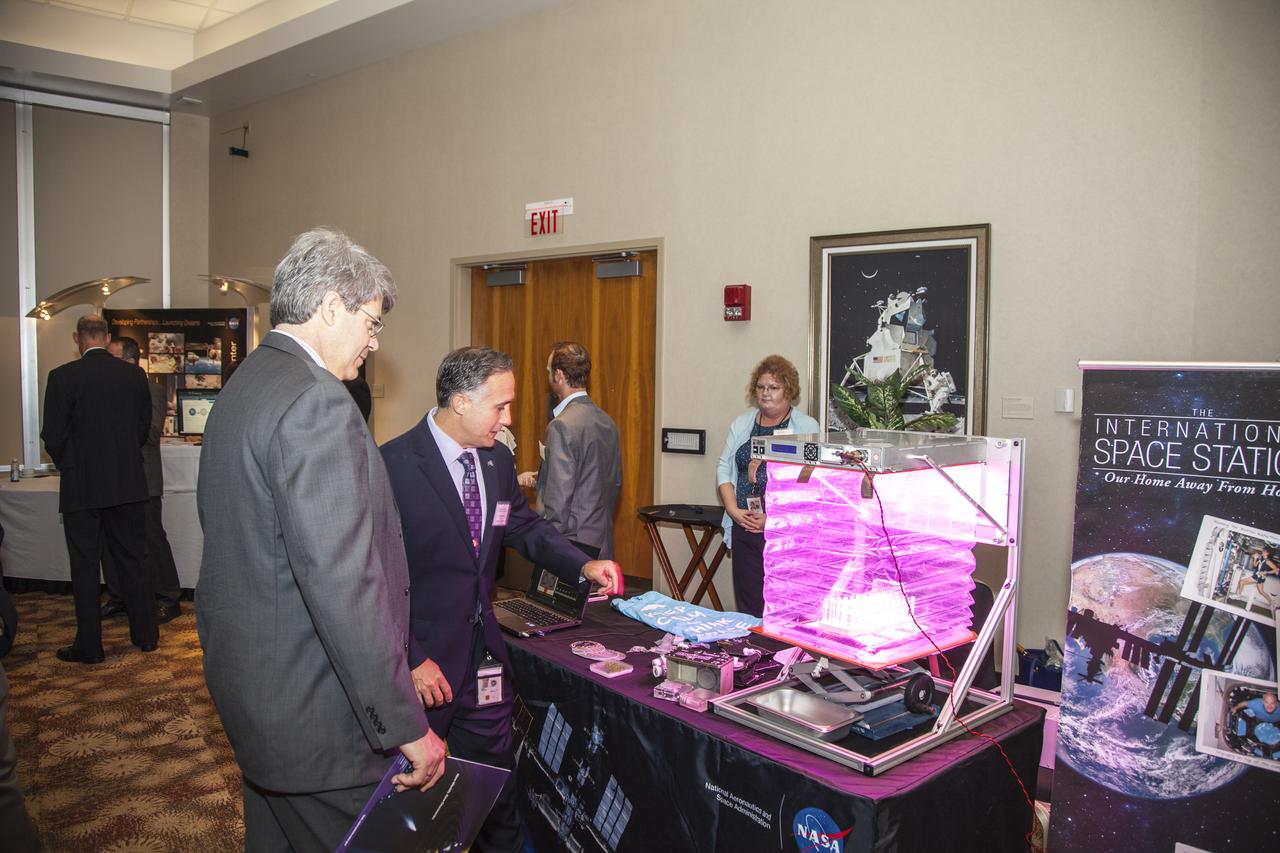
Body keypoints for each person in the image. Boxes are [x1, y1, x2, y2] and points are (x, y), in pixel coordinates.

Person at [195, 228, 445, 852]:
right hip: (319, 718)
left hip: (259, 699)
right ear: (330, 305)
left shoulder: (246, 384)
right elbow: (344, 586)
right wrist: (405, 724)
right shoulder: (318, 402)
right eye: (371, 321)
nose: (373, 341)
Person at [381, 346, 624, 853]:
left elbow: (524, 526)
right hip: (424, 666)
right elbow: (376, 580)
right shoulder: (393, 466)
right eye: (500, 406)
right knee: (415, 800)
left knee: (495, 787)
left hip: (484, 657)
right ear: (462, 402)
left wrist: (581, 564)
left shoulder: (496, 459)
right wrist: (410, 655)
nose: (509, 418)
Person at [41, 314, 156, 663]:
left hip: (82, 487)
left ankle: (90, 646)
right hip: (128, 484)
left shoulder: (62, 378)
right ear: (107, 338)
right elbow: (142, 429)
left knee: (85, 567)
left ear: (78, 338)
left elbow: (53, 435)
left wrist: (73, 467)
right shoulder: (134, 375)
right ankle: (146, 635)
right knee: (134, 561)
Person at [716, 355, 819, 617]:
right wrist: (732, 510)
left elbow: (810, 483)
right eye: (761, 387)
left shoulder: (806, 426)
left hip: (784, 530)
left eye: (773, 388)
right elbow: (724, 469)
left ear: (789, 391)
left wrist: (773, 519)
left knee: (783, 602)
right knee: (749, 602)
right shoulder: (743, 423)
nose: (765, 393)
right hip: (743, 524)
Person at [100, 336, 182, 624]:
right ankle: (120, 596)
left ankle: (168, 597)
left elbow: (150, 434)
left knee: (152, 538)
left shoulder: (153, 390)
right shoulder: (104, 392)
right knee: (113, 542)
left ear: (131, 360)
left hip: (144, 478)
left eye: (113, 359)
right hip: (113, 477)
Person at [516, 342, 622, 559]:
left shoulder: (561, 425)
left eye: (548, 371)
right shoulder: (607, 421)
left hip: (572, 546)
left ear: (559, 375)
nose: (547, 376)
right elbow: (612, 483)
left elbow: (558, 500)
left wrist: (547, 547)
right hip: (601, 541)